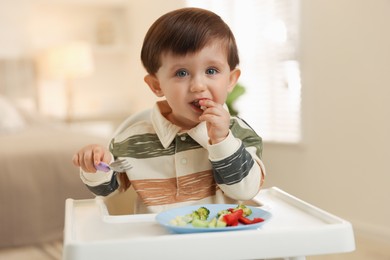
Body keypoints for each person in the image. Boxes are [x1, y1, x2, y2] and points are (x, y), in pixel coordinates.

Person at [72, 7, 265, 214]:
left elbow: (245, 191)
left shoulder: (238, 133)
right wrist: (95, 165)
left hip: (220, 242)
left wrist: (222, 140)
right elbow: (108, 191)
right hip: (156, 243)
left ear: (231, 80)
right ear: (157, 85)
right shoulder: (131, 140)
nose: (198, 85)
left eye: (211, 71)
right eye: (181, 73)